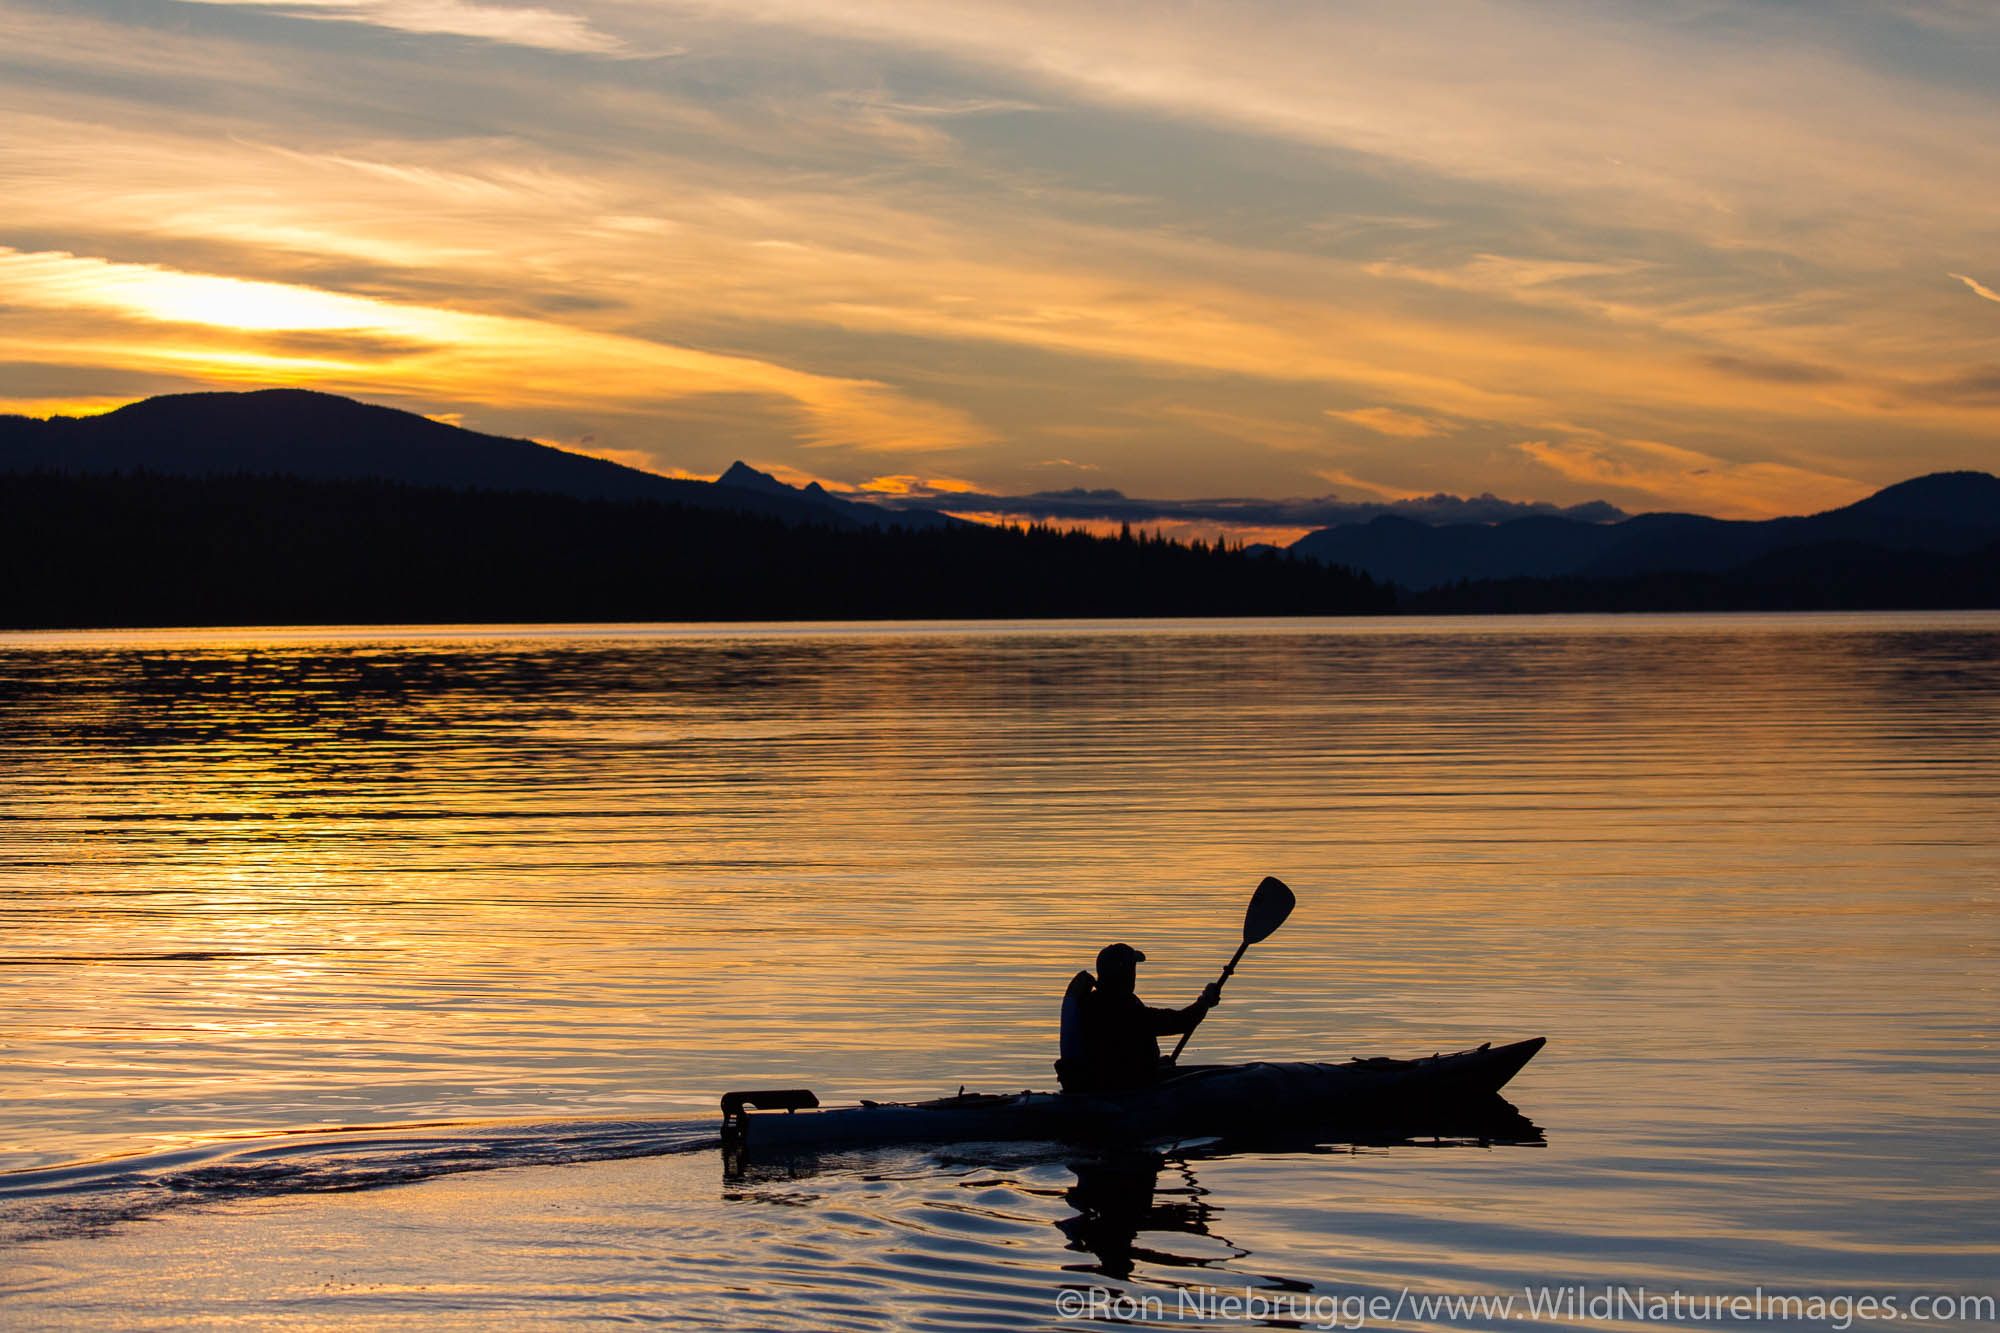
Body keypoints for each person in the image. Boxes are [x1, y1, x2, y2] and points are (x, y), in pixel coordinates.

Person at [1056, 942, 1222, 1093]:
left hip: (1112, 1081)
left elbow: (1119, 1053)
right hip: (1121, 1090)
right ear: (1125, 973)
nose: (1134, 974)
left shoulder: (1091, 1003)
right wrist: (1204, 1001)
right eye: (1132, 968)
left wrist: (1155, 1067)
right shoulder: (1121, 1008)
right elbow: (1179, 1021)